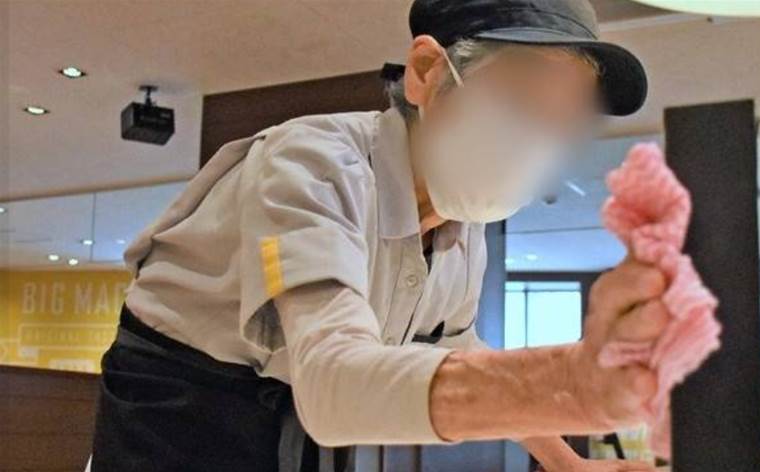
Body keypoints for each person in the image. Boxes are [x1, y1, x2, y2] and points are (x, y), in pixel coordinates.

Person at [91, 0, 665, 471]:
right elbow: (332, 380)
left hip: (299, 412)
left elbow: (453, 347)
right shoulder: (313, 167)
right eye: (522, 100)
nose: (539, 140)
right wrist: (567, 383)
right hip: (176, 408)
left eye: (562, 121)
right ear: (426, 72)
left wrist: (567, 462)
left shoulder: (462, 227)